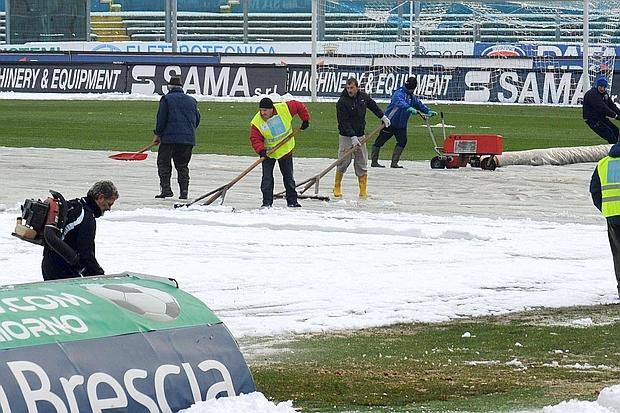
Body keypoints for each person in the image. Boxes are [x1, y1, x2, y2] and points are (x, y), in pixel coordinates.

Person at [42, 181, 119, 281]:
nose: (109, 208)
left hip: (48, 264)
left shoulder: (74, 205)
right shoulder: (86, 217)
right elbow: (86, 255)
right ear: (100, 198)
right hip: (63, 270)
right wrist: (100, 277)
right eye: (109, 204)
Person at [334, 77, 391, 198]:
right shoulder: (342, 102)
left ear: (357, 87)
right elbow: (343, 122)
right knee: (344, 161)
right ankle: (337, 186)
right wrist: (352, 136)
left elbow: (373, 107)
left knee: (362, 162)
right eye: (348, 88)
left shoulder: (363, 97)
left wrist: (383, 117)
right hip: (346, 136)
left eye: (352, 88)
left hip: (360, 135)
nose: (349, 90)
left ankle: (363, 190)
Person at [249, 97, 310, 208]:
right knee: (267, 179)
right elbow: (255, 138)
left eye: (265, 110)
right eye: (261, 110)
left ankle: (292, 201)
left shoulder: (284, 108)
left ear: (272, 109)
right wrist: (261, 151)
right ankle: (267, 202)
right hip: (268, 153)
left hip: (285, 150)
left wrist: (305, 119)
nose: (262, 113)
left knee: (288, 177)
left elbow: (299, 106)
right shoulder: (257, 121)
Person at [371, 76, 438, 168]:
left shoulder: (411, 97)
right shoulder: (398, 93)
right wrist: (409, 108)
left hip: (401, 125)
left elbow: (419, 104)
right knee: (380, 141)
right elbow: (399, 102)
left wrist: (428, 111)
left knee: (402, 141)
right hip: (389, 122)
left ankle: (394, 163)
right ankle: (374, 161)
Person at [153, 75, 201, 200]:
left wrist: (158, 134)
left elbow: (161, 119)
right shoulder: (192, 100)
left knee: (164, 164)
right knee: (182, 166)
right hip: (187, 139)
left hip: (169, 139)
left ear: (169, 87)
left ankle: (166, 190)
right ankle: (184, 192)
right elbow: (197, 119)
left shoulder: (166, 99)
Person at [590, 142, 620, 299]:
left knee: (618, 254)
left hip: (613, 216)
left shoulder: (603, 163)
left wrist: (607, 208)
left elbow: (595, 191)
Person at [583, 76, 620, 144]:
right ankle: (614, 151)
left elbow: (612, 106)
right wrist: (615, 116)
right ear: (597, 85)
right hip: (592, 119)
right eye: (600, 86)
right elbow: (603, 108)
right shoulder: (592, 94)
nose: (602, 89)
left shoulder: (605, 94)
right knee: (609, 134)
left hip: (601, 117)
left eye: (604, 87)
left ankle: (616, 147)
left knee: (616, 130)